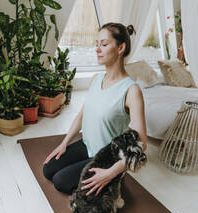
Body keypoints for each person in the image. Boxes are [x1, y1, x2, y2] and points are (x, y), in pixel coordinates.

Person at [43, 22, 147, 197]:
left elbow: (142, 143)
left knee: (60, 182)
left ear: (120, 47)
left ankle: (116, 177)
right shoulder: (96, 79)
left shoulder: (131, 91)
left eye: (104, 44)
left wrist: (110, 173)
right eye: (96, 44)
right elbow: (83, 115)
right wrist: (64, 143)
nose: (97, 49)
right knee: (48, 169)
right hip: (87, 145)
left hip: (107, 156)